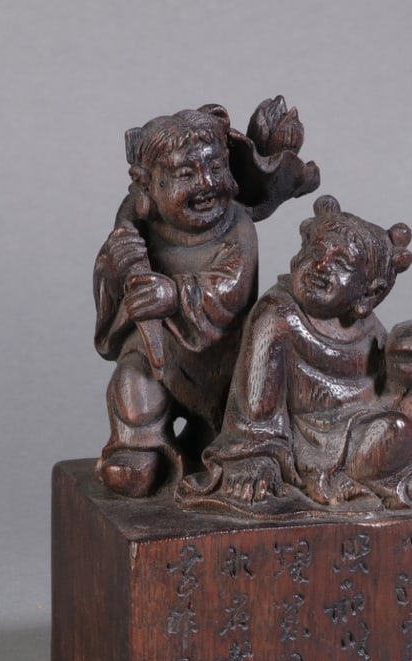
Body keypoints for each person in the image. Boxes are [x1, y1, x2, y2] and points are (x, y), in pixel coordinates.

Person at [180, 195, 412, 511]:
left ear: (369, 292)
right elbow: (255, 410)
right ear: (298, 257)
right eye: (316, 252)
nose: (320, 266)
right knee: (392, 432)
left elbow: (386, 384)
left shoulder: (366, 324)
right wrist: (257, 456)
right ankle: (406, 466)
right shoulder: (277, 315)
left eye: (340, 264)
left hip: (371, 418)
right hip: (318, 442)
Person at [93, 100, 319, 496]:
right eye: (185, 174)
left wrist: (174, 294)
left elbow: (229, 288)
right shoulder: (136, 223)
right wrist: (115, 267)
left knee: (246, 397)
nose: (206, 183)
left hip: (223, 359)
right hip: (158, 351)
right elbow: (112, 287)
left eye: (215, 167)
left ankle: (223, 439)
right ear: (147, 184)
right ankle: (139, 444)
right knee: (134, 378)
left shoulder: (237, 228)